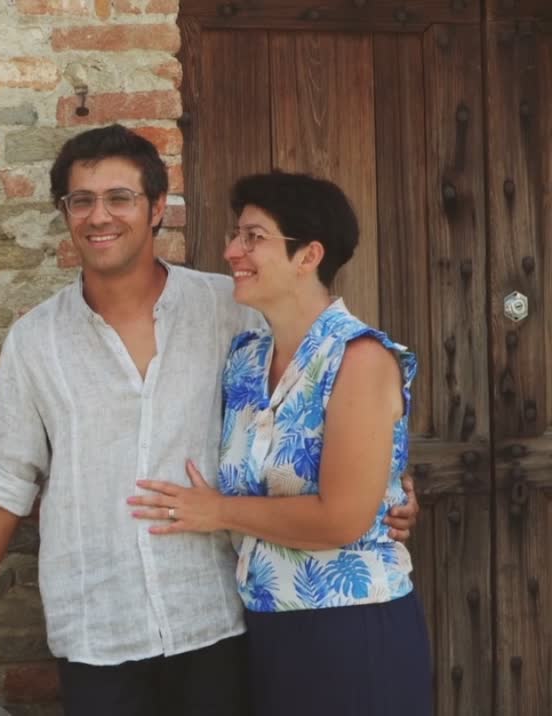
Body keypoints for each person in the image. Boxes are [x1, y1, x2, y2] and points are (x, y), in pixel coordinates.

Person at [0, 125, 418, 715]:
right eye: (81, 200)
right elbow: (3, 486)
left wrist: (389, 496)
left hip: (222, 627)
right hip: (100, 634)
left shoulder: (233, 316)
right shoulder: (35, 342)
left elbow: (335, 420)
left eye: (119, 197)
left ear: (157, 208)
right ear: (65, 214)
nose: (99, 216)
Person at [130, 171, 432, 715]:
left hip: (352, 627)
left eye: (253, 237)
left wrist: (217, 511)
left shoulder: (359, 359)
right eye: (236, 235)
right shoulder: (246, 358)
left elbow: (341, 519)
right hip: (267, 627)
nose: (232, 251)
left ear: (308, 255)